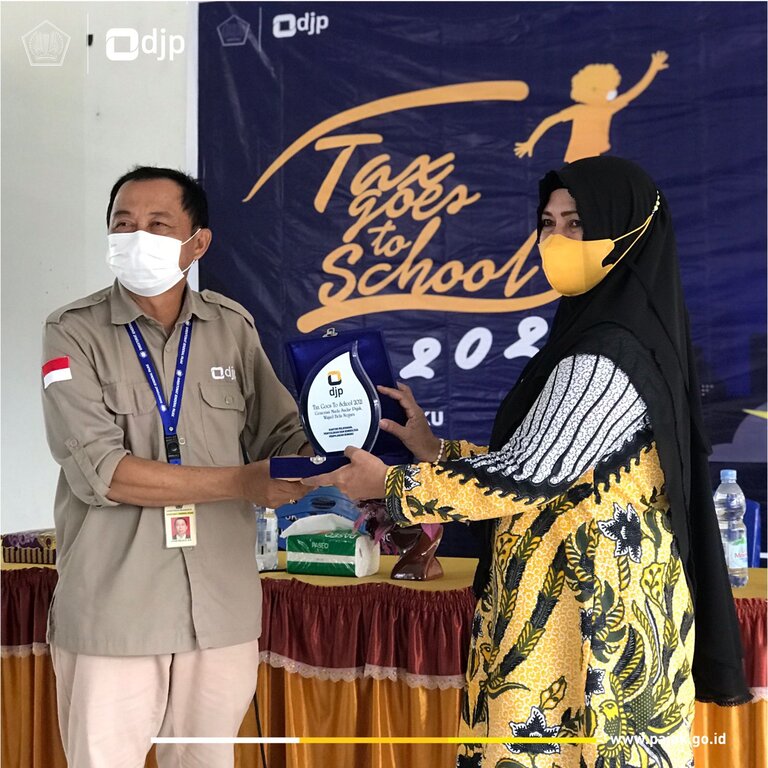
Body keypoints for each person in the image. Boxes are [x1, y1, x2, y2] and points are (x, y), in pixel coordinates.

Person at [304, 156, 751, 767]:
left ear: (627, 231)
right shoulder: (606, 332)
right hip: (579, 595)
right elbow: (553, 464)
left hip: (588, 611)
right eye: (548, 223)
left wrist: (393, 484)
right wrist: (435, 451)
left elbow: (528, 476)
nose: (556, 240)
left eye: (577, 223)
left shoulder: (606, 354)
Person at [41, 166, 310, 768]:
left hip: (219, 609)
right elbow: (103, 473)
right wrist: (241, 482)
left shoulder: (231, 328)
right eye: (123, 224)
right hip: (116, 610)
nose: (136, 236)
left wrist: (350, 439)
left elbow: (280, 437)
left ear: (198, 242)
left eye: (157, 224)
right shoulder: (71, 332)